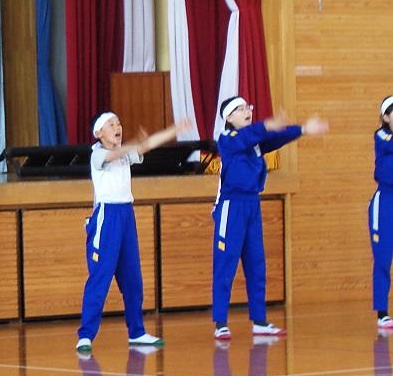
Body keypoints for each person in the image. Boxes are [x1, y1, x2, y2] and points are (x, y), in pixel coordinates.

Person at [212, 97, 328, 340]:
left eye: (248, 108)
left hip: (252, 205)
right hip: (231, 207)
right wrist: (267, 124)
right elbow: (250, 135)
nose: (247, 111)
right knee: (226, 265)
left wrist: (303, 129)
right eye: (240, 109)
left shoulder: (255, 141)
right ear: (228, 117)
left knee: (256, 263)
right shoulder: (227, 139)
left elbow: (277, 137)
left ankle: (260, 321)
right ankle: (220, 322)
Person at [76, 112, 188, 353]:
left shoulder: (124, 152)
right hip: (107, 217)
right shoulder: (98, 154)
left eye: (118, 123)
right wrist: (136, 142)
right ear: (98, 133)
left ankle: (137, 331)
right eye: (111, 124)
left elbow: (147, 145)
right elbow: (117, 153)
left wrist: (174, 130)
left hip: (127, 215)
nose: (117, 127)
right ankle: (85, 335)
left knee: (132, 278)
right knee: (100, 277)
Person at [371, 96, 393, 329]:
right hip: (385, 203)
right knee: (383, 258)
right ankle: (382, 312)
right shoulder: (382, 136)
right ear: (386, 117)